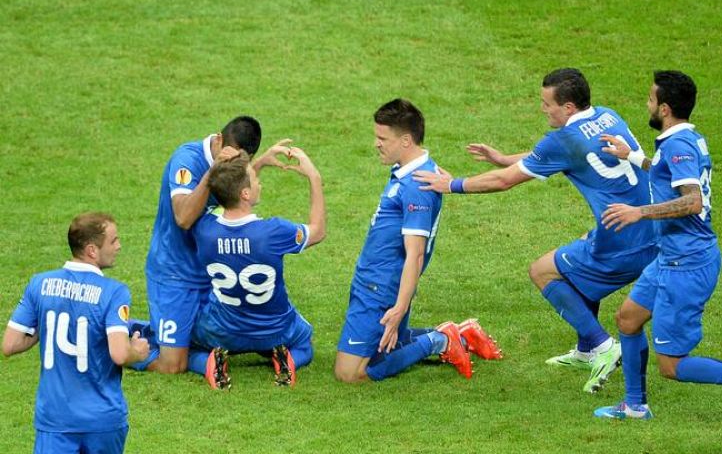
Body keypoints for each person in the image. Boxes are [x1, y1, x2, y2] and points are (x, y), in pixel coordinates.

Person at [414, 68, 658, 393]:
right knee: (577, 261)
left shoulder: (564, 140)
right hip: (654, 228)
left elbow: (505, 181)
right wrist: (504, 158)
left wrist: (452, 184)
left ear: (568, 107)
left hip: (624, 238)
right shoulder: (606, 116)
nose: (543, 109)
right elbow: (550, 155)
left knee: (543, 271)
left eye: (547, 104)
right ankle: (586, 349)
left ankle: (603, 346)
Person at [593, 70, 722, 421]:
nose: (647, 104)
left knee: (671, 365)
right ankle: (635, 406)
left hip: (687, 263)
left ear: (664, 108)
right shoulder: (684, 139)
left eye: (650, 99)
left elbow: (692, 201)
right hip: (671, 257)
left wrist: (639, 212)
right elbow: (665, 173)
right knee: (627, 319)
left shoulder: (678, 146)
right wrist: (632, 157)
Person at [334, 98, 502, 384]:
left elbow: (416, 254)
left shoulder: (416, 186)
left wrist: (399, 307)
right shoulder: (412, 171)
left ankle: (441, 340)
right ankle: (461, 334)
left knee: (350, 374)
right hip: (372, 279)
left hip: (381, 286)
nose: (376, 144)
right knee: (386, 346)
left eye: (382, 138)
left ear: (406, 140)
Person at [131, 116, 291, 377]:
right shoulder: (187, 160)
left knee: (249, 338)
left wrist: (260, 164)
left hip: (210, 274)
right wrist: (212, 172)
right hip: (175, 274)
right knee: (173, 365)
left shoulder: (233, 163)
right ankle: (120, 336)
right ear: (218, 139)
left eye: (239, 161)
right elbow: (183, 218)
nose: (229, 163)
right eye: (227, 156)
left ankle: (176, 337)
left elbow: (235, 192)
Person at [2, 213, 150, 454]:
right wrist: (138, 352)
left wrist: (44, 325)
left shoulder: (40, 284)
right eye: (113, 240)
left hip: (56, 417)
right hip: (102, 417)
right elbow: (120, 354)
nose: (119, 246)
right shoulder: (114, 292)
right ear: (92, 250)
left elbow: (10, 345)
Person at [190, 147, 326, 389]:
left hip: (223, 331)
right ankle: (286, 360)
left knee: (186, 348)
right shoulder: (274, 232)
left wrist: (257, 163)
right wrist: (314, 177)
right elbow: (318, 231)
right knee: (305, 344)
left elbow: (228, 194)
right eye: (255, 179)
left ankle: (209, 363)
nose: (259, 182)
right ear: (245, 193)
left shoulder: (204, 229)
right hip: (275, 331)